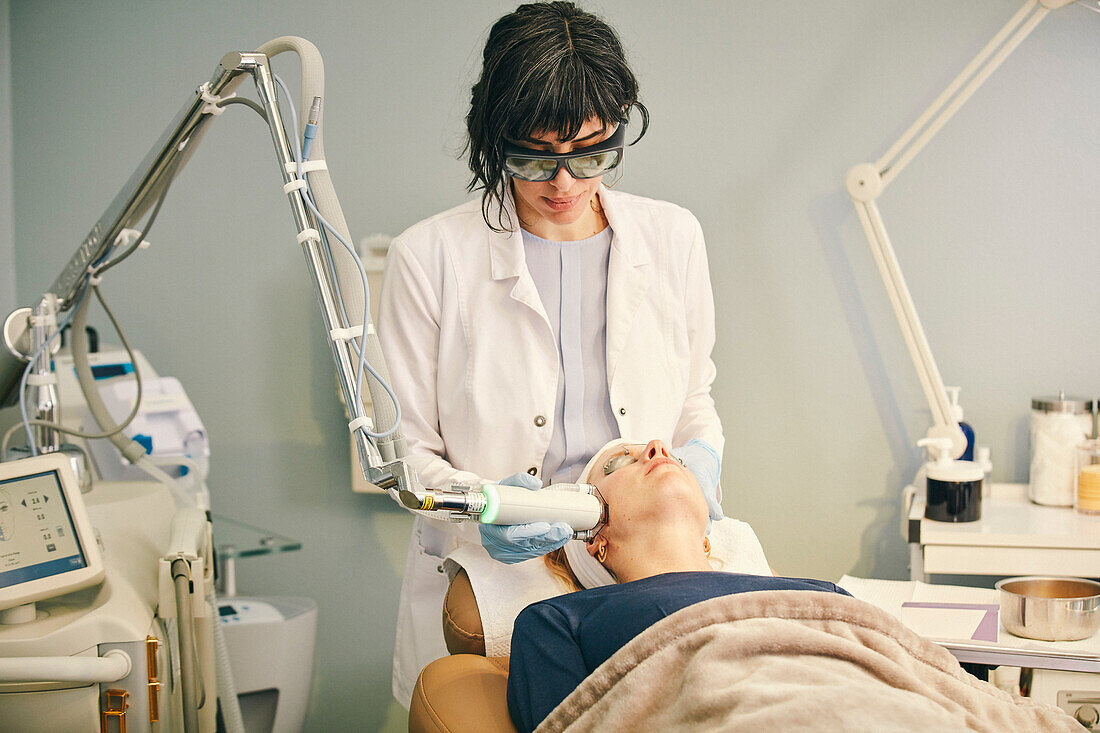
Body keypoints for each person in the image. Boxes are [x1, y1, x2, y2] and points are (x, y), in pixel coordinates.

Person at [378, 2, 724, 705]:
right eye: (534, 155)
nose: (563, 183)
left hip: (645, 557)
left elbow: (695, 403)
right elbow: (403, 452)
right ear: (492, 135)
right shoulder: (429, 257)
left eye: (591, 154)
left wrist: (700, 473)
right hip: (502, 565)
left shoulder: (674, 237)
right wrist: (488, 504)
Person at [507, 439, 850, 732]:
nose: (659, 448)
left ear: (707, 538)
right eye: (619, 462)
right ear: (595, 540)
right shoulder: (558, 622)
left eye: (680, 460)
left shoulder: (818, 594)